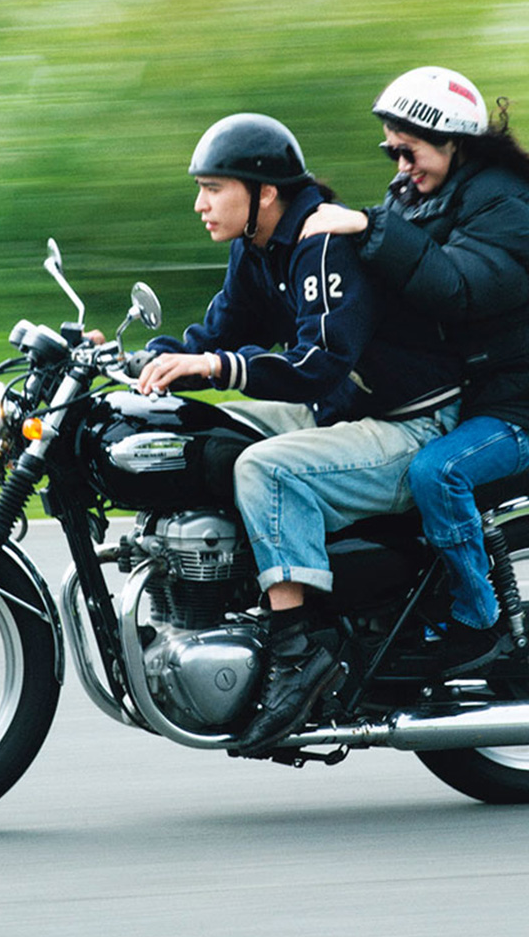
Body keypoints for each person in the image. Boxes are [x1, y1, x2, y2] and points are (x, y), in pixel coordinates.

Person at [139, 112, 461, 752]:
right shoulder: (257, 248)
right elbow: (216, 338)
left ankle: (299, 654)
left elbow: (319, 365)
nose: (200, 204)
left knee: (264, 467)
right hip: (347, 414)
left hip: (409, 424)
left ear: (265, 192)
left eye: (213, 188)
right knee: (193, 431)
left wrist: (214, 366)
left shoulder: (320, 242)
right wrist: (148, 362)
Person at [300, 66, 529, 675]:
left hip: (528, 400)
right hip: (473, 389)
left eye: (408, 151)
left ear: (451, 141)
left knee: (438, 474)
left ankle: (475, 619)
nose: (399, 165)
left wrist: (366, 225)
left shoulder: (510, 203)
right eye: (391, 151)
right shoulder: (419, 196)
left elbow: (461, 286)